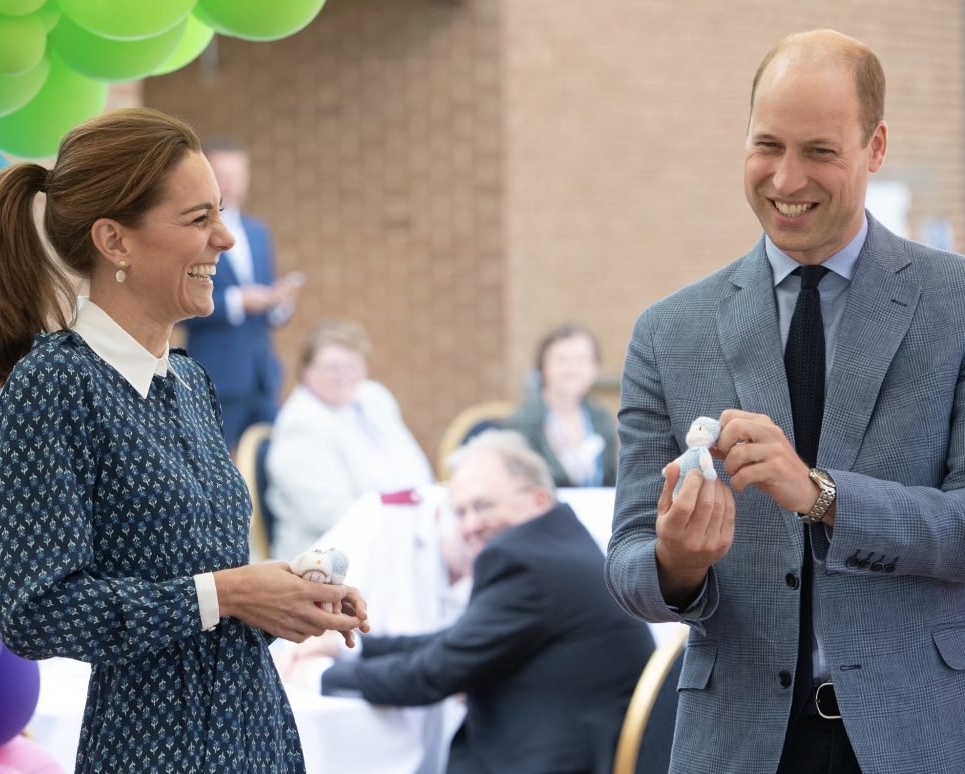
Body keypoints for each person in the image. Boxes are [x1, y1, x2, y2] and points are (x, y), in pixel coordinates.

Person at [605, 29, 965, 774]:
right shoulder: (669, 332)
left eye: (820, 151)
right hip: (736, 747)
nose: (786, 177)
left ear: (876, 146)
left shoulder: (955, 305)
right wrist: (677, 562)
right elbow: (628, 564)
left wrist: (821, 495)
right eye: (767, 144)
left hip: (918, 739)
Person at [0, 108, 368, 773]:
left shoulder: (189, 380)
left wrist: (285, 596)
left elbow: (201, 582)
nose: (226, 240)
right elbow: (33, 611)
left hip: (255, 735)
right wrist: (232, 593)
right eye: (197, 218)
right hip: (154, 749)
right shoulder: (55, 383)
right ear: (114, 241)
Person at [321, 430, 654, 774]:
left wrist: (324, 677)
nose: (470, 526)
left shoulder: (523, 559)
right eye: (460, 512)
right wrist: (354, 648)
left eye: (483, 506)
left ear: (539, 499)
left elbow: (432, 674)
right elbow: (459, 640)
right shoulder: (560, 542)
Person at [265, 317, 434, 560]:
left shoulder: (372, 397)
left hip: (397, 537)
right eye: (334, 367)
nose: (345, 375)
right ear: (307, 371)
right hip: (331, 557)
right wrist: (403, 515)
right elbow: (329, 514)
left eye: (353, 365)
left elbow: (417, 469)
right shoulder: (301, 423)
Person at [180, 137, 301, 451]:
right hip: (218, 375)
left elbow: (266, 301)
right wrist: (238, 301)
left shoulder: (257, 231)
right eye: (223, 176)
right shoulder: (190, 232)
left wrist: (279, 303)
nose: (231, 185)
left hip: (262, 375)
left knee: (271, 462)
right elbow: (182, 303)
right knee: (214, 464)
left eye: (238, 176)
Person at [505, 322, 617, 487]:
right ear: (543, 367)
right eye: (561, 359)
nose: (571, 369)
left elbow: (612, 480)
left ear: (595, 370)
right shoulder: (520, 423)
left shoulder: (602, 417)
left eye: (582, 360)